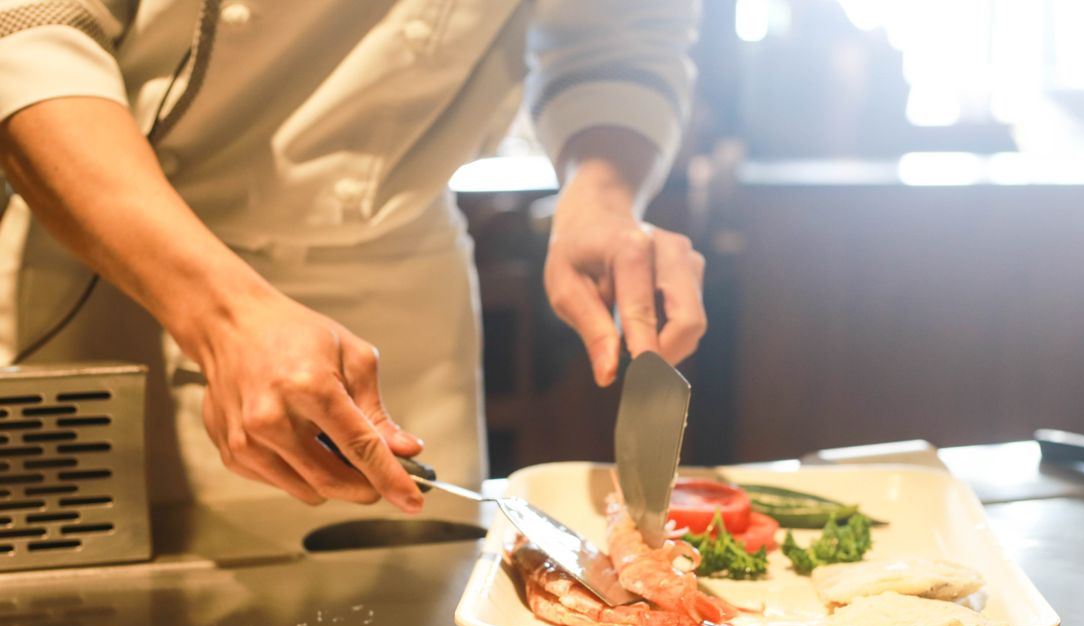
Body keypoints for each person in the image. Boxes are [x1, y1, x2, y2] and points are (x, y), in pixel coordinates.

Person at [0, 0, 707, 511]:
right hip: (120, 249)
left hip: (396, 291)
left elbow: (621, 41)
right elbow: (30, 33)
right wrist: (220, 316)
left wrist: (604, 193)